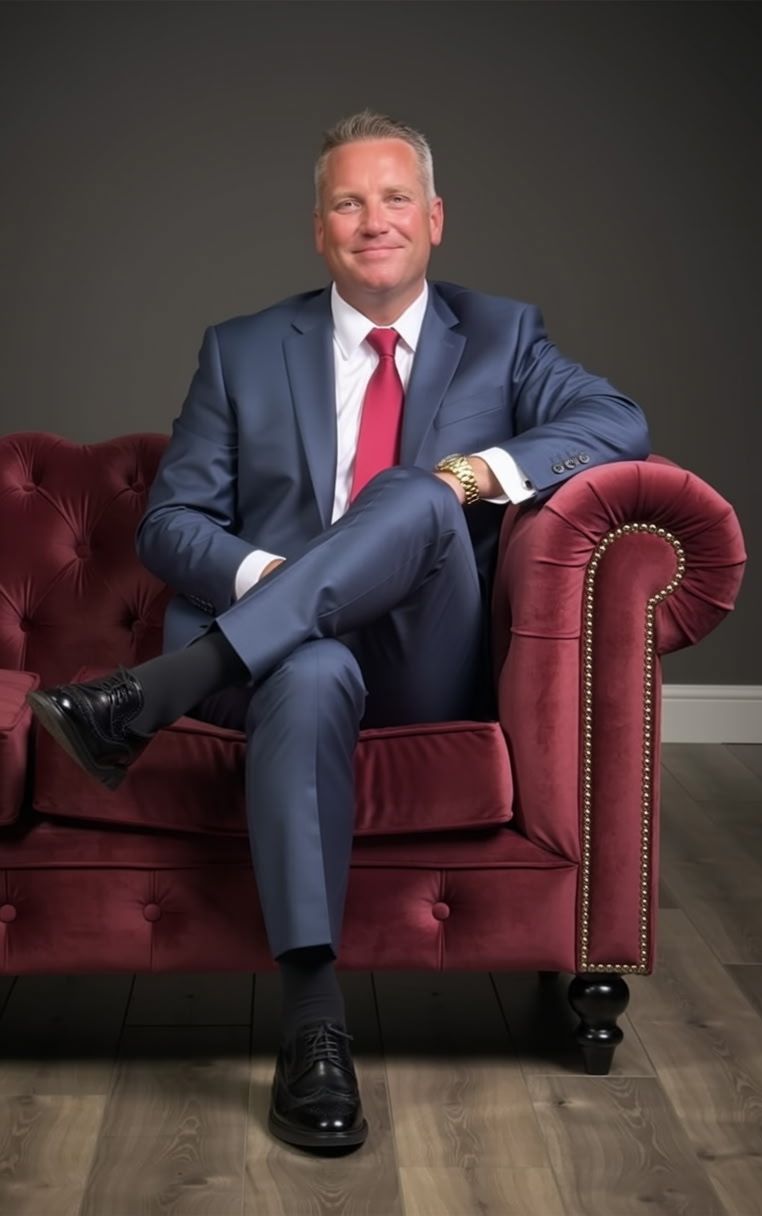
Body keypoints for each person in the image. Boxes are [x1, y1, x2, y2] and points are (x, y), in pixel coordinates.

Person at [27, 110, 650, 1153]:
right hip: (283, 669)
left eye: (395, 197)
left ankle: (156, 692)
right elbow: (171, 523)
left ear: (435, 219)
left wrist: (472, 476)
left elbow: (618, 421)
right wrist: (281, 581)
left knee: (418, 494)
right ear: (320, 229)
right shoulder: (241, 351)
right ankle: (315, 1031)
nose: (375, 220)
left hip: (423, 656)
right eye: (349, 202)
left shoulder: (503, 336)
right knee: (308, 667)